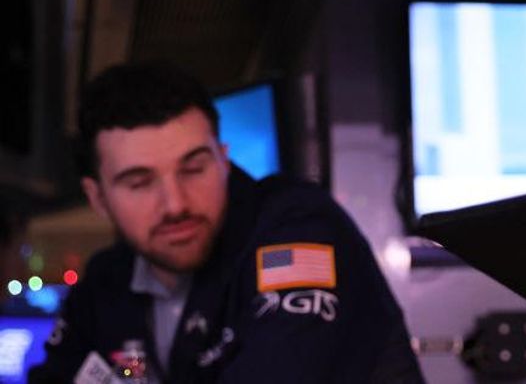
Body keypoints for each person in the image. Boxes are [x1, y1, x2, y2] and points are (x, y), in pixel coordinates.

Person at [29, 63, 425, 383]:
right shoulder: (104, 285)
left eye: (194, 168)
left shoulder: (293, 227)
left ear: (223, 158)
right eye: (140, 182)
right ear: (98, 196)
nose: (175, 204)